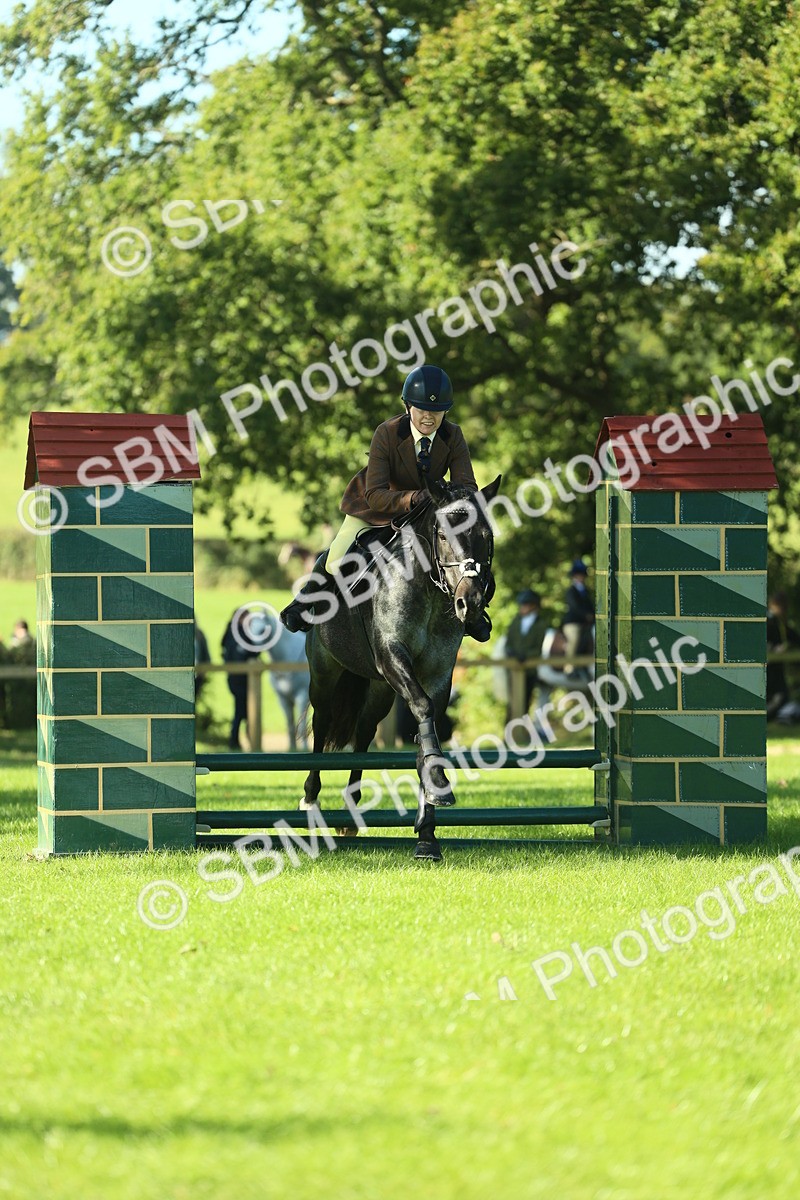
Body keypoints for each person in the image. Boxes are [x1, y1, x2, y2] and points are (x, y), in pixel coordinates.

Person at [280, 364, 492, 641]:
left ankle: (473, 610)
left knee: (466, 549)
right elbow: (375, 494)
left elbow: (467, 486)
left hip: (427, 511)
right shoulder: (388, 432)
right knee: (336, 558)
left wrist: (451, 501)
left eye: (436, 411)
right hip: (376, 506)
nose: (429, 417)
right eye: (421, 410)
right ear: (407, 407)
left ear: (446, 411)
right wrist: (414, 497)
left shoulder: (453, 435)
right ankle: (306, 601)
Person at [221, 611, 263, 751]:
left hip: (234, 679)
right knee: (242, 711)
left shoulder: (231, 634)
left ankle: (237, 741)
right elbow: (246, 652)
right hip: (242, 680)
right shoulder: (240, 635)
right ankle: (239, 741)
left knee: (241, 711)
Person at [504, 589, 548, 718]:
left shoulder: (541, 624)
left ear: (533, 606)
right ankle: (508, 733)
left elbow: (539, 648)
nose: (522, 608)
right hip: (513, 667)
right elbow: (509, 641)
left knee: (525, 700)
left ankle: (521, 731)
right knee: (511, 702)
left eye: (525, 605)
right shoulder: (516, 621)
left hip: (530, 669)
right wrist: (510, 652)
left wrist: (526, 656)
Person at [767, 591, 800, 720]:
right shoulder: (768, 621)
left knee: (781, 697)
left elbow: (793, 637)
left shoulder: (780, 623)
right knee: (778, 698)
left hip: (777, 669)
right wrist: (774, 649)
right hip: (769, 668)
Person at [562, 560, 594, 674]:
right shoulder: (571, 591)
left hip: (586, 623)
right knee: (574, 638)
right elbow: (575, 607)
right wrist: (587, 615)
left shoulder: (586, 591)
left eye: (582, 575)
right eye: (578, 575)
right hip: (573, 622)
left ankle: (585, 665)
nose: (580, 577)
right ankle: (569, 667)